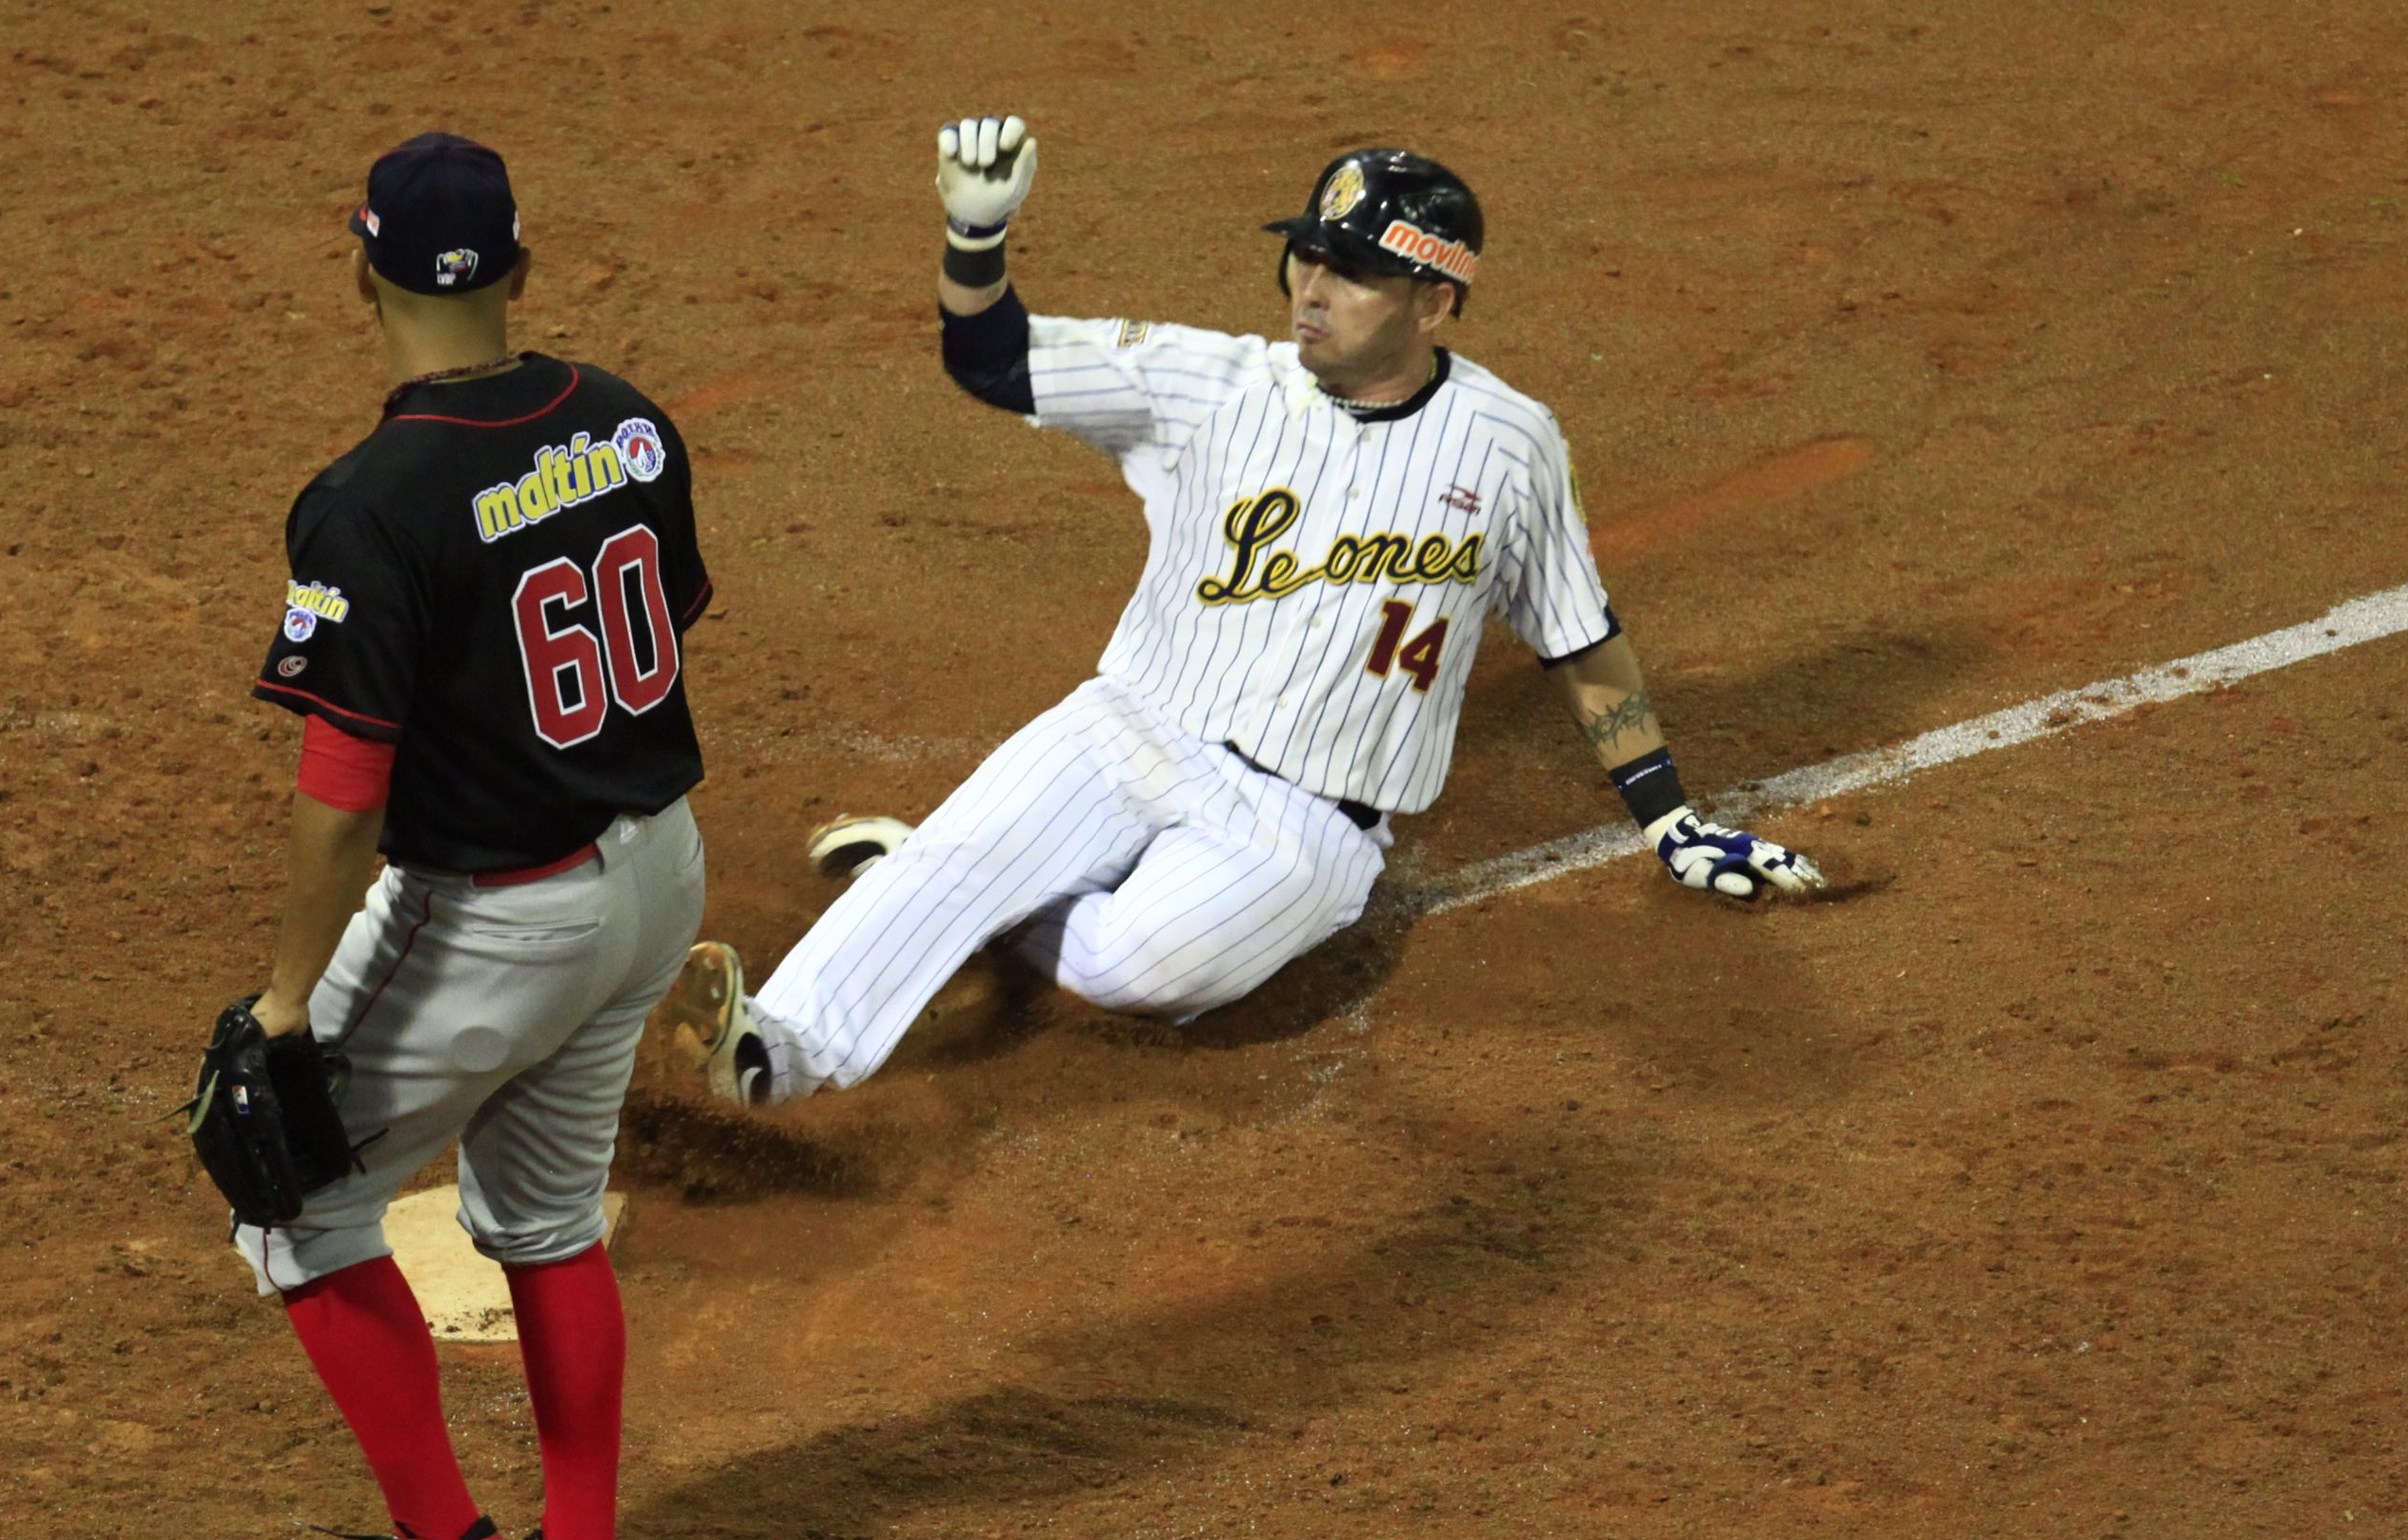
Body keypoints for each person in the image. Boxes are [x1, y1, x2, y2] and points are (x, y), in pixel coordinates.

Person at [666, 117, 1819, 1109]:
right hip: (1135, 725)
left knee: (1137, 971)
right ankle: (784, 1044)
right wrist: (977, 237)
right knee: (976, 846)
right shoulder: (1209, 383)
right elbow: (989, 357)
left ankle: (963, 888)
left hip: (1310, 830)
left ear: (1435, 300)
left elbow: (1580, 635)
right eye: (1306, 258)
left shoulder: (1512, 445)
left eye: (1349, 273)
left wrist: (1668, 818)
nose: (1310, 291)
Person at [229, 132, 714, 1540]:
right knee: (548, 1219)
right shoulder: (629, 424)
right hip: (657, 877)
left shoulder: (368, 504)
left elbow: (343, 793)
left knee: (287, 1191)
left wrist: (286, 1001)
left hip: (502, 914)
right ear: (520, 267)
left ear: (356, 267)